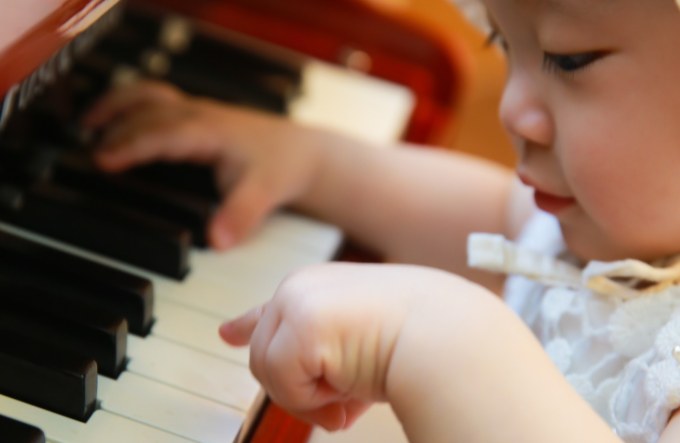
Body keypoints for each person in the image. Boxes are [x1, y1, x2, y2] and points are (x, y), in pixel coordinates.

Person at [82, 0, 680, 441]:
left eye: (568, 59)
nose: (511, 110)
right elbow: (498, 217)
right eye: (503, 44)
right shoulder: (603, 234)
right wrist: (316, 162)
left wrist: (436, 336)